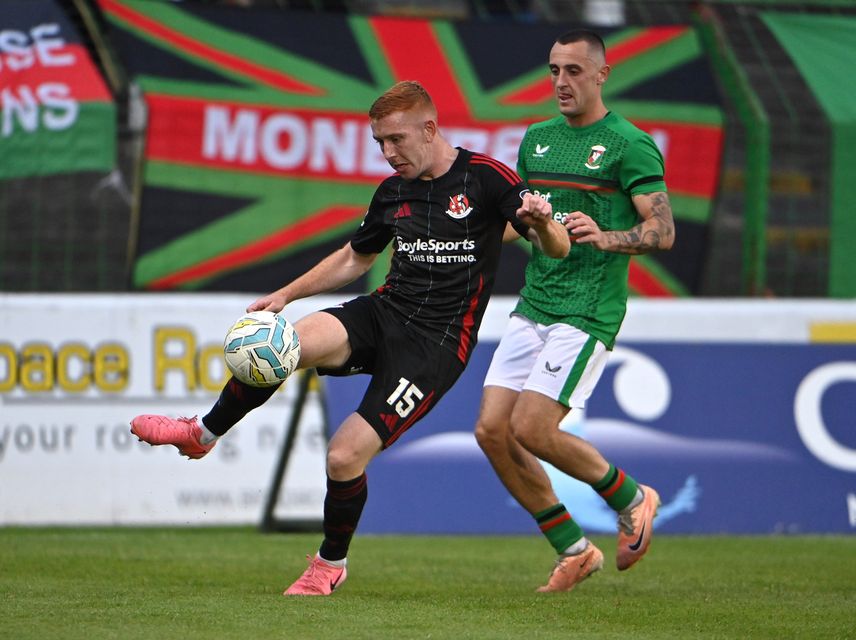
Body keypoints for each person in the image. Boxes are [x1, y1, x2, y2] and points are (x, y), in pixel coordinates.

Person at [130, 80, 570, 596]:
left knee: (343, 457)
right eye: (379, 142)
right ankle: (202, 434)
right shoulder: (393, 191)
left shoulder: (487, 179)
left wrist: (543, 223)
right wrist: (287, 294)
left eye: (396, 140)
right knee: (285, 343)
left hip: (436, 345)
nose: (387, 153)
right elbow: (355, 257)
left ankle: (329, 564)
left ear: (429, 129)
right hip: (384, 311)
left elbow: (556, 248)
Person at [474, 29, 675, 593]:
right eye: (554, 71)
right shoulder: (536, 140)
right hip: (535, 301)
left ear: (602, 74)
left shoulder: (628, 143)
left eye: (574, 71)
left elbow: (663, 231)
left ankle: (633, 497)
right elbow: (524, 227)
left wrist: (605, 236)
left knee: (532, 427)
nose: (561, 82)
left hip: (587, 309)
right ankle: (574, 548)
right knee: (492, 430)